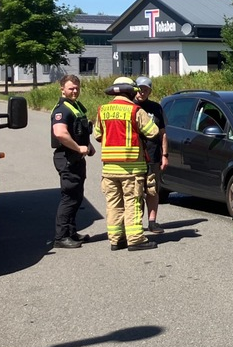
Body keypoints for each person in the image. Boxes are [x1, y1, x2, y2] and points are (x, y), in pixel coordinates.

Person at [94, 77, 160, 251]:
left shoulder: (102, 110)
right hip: (132, 169)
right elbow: (152, 132)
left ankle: (116, 240)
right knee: (132, 203)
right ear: (131, 92)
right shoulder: (135, 110)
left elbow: (97, 134)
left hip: (108, 169)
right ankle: (136, 239)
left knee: (113, 204)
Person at [50, 74, 95, 249]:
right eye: (71, 88)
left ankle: (71, 232)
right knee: (69, 198)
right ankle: (61, 237)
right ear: (62, 89)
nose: (75, 91)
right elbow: (60, 133)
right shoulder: (62, 109)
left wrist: (88, 145)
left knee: (76, 197)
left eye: (77, 88)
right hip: (67, 158)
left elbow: (80, 130)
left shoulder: (75, 106)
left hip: (76, 158)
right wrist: (78, 147)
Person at [134, 76, 168, 233]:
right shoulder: (129, 106)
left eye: (145, 89)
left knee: (152, 190)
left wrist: (165, 155)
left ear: (150, 91)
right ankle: (135, 223)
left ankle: (152, 221)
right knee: (136, 192)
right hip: (134, 157)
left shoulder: (156, 108)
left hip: (153, 155)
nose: (142, 92)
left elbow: (163, 133)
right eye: (139, 88)